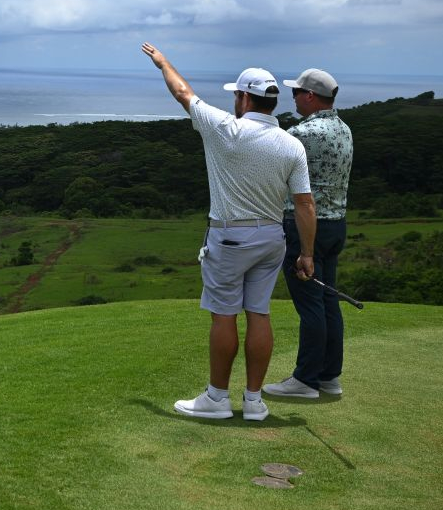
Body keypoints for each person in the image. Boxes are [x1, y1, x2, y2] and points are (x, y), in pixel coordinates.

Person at [141, 43, 316, 422]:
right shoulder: (292, 144)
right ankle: (254, 402)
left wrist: (163, 62)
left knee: (224, 317)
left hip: (230, 237)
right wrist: (307, 254)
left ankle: (217, 398)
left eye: (236, 95)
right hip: (273, 239)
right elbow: (304, 204)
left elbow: (182, 93)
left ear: (243, 97)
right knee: (259, 314)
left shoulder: (226, 129)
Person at [264, 69, 353, 400]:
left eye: (296, 93)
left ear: (311, 96)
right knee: (329, 300)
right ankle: (329, 377)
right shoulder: (344, 129)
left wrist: (305, 250)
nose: (294, 98)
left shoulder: (302, 133)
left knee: (310, 304)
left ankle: (305, 379)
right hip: (336, 224)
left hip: (304, 224)